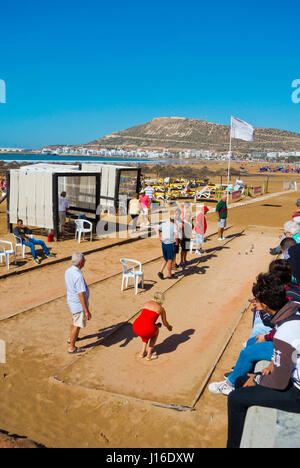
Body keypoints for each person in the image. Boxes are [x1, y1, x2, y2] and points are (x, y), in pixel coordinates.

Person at [227, 273, 300, 448]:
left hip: (296, 392)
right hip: (292, 374)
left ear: (265, 306)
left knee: (235, 398)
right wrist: (273, 363)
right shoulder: (295, 308)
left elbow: (279, 383)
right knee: (240, 380)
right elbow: (293, 349)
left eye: (257, 302)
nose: (255, 305)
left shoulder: (284, 332)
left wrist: (257, 379)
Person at [132, 292, 172, 360]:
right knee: (155, 331)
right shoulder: (161, 308)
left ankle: (142, 352)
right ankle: (149, 355)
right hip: (146, 328)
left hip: (136, 326)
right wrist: (169, 327)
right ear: (162, 300)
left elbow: (145, 319)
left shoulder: (146, 303)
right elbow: (165, 322)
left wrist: (155, 325)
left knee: (146, 332)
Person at [65, 253, 91, 354]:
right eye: (84, 260)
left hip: (71, 301)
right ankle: (72, 347)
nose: (85, 261)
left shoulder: (68, 271)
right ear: (80, 262)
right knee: (77, 325)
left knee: (73, 320)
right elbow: (81, 294)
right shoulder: (78, 275)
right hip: (78, 304)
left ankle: (70, 338)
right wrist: (86, 310)